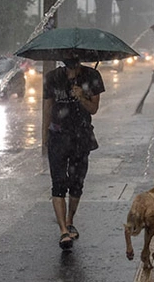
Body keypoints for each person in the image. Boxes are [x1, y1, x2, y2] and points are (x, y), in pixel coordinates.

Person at [42, 57, 105, 250]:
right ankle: (63, 231)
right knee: (58, 183)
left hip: (82, 136)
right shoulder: (53, 77)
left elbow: (93, 108)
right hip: (58, 136)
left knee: (77, 183)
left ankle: (70, 221)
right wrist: (44, 136)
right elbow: (47, 107)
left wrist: (82, 96)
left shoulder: (92, 75)